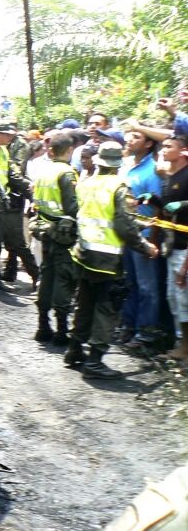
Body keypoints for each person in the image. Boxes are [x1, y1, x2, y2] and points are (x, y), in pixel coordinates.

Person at [66, 141, 159, 379]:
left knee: (85, 303)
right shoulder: (120, 187)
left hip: (84, 254)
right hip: (107, 259)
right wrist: (145, 246)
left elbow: (100, 214)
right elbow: (122, 225)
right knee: (107, 308)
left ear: (99, 162)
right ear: (118, 164)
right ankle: (95, 361)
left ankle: (75, 350)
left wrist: (139, 222)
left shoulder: (87, 183)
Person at [140, 135, 188, 361]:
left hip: (185, 247)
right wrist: (154, 200)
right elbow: (168, 212)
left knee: (184, 298)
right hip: (173, 244)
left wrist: (184, 204)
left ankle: (184, 349)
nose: (164, 150)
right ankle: (181, 344)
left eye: (169, 146)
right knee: (174, 297)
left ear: (183, 151)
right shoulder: (168, 176)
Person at [31, 133, 79, 345]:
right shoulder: (67, 173)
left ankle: (43, 325)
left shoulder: (43, 171)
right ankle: (61, 331)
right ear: (69, 151)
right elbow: (72, 207)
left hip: (45, 230)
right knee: (63, 278)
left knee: (47, 274)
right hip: (63, 234)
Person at [120, 130, 165, 351]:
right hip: (127, 235)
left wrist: (153, 241)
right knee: (131, 284)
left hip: (145, 236)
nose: (129, 139)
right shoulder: (127, 165)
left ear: (148, 144)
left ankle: (145, 332)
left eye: (136, 137)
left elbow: (158, 208)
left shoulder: (153, 170)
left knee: (147, 287)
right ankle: (129, 325)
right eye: (129, 136)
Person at [0, 120, 38, 291]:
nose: (10, 136)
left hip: (1, 202)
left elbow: (12, 173)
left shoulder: (3, 151)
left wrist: (27, 186)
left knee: (5, 241)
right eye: (7, 134)